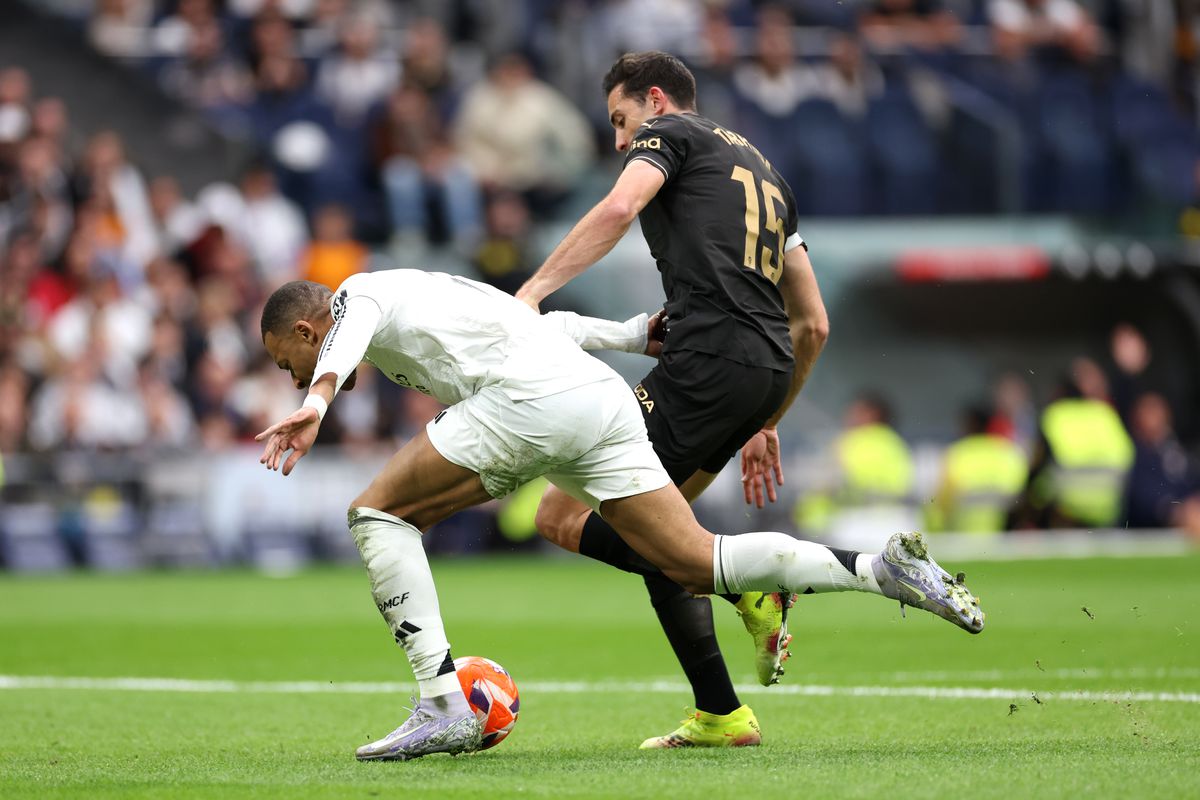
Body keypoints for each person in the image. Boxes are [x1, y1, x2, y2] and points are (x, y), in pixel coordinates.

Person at [256, 270, 984, 761]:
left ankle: (443, 700)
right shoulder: (429, 296)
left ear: (303, 328)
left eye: (283, 358)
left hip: (529, 402)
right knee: (695, 559)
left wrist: (315, 401)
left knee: (376, 513)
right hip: (595, 398)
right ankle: (878, 568)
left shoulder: (354, 296)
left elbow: (345, 331)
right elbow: (537, 321)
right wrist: (635, 334)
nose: (286, 374)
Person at [512, 51, 947, 749]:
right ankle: (721, 711)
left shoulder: (671, 134)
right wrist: (766, 417)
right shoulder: (767, 173)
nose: (622, 141)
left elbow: (620, 207)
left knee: (561, 515)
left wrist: (530, 295)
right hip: (762, 369)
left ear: (655, 100)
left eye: (623, 121)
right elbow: (814, 322)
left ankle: (750, 585)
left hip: (707, 360)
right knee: (659, 530)